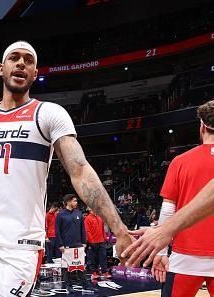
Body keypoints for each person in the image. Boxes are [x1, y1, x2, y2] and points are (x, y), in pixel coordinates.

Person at [0, 40, 133, 297]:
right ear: (2, 69)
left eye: (29, 60)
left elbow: (80, 170)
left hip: (21, 244)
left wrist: (119, 228)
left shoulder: (48, 113)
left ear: (35, 74)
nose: (21, 63)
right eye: (14, 57)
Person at [127, 100, 214, 296]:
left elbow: (168, 209)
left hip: (186, 257)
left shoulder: (181, 161)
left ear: (201, 127)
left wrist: (160, 252)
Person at [122, 178, 214, 267]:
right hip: (190, 251)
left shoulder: (179, 162)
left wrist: (163, 231)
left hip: (187, 254)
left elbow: (168, 208)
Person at [56, 194, 95, 292]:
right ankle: (68, 285)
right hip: (66, 246)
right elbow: (58, 231)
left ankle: (85, 285)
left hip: (78, 244)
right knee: (66, 267)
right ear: (68, 202)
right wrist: (60, 244)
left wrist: (84, 242)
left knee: (81, 265)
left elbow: (83, 229)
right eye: (74, 201)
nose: (76, 203)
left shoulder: (78, 213)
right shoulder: (60, 214)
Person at [84, 208, 111, 279]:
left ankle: (104, 271)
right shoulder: (87, 219)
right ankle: (94, 272)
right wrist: (91, 241)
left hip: (101, 241)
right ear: (90, 209)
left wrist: (105, 238)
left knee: (103, 257)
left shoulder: (99, 217)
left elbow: (102, 229)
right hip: (92, 242)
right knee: (92, 258)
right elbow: (87, 231)